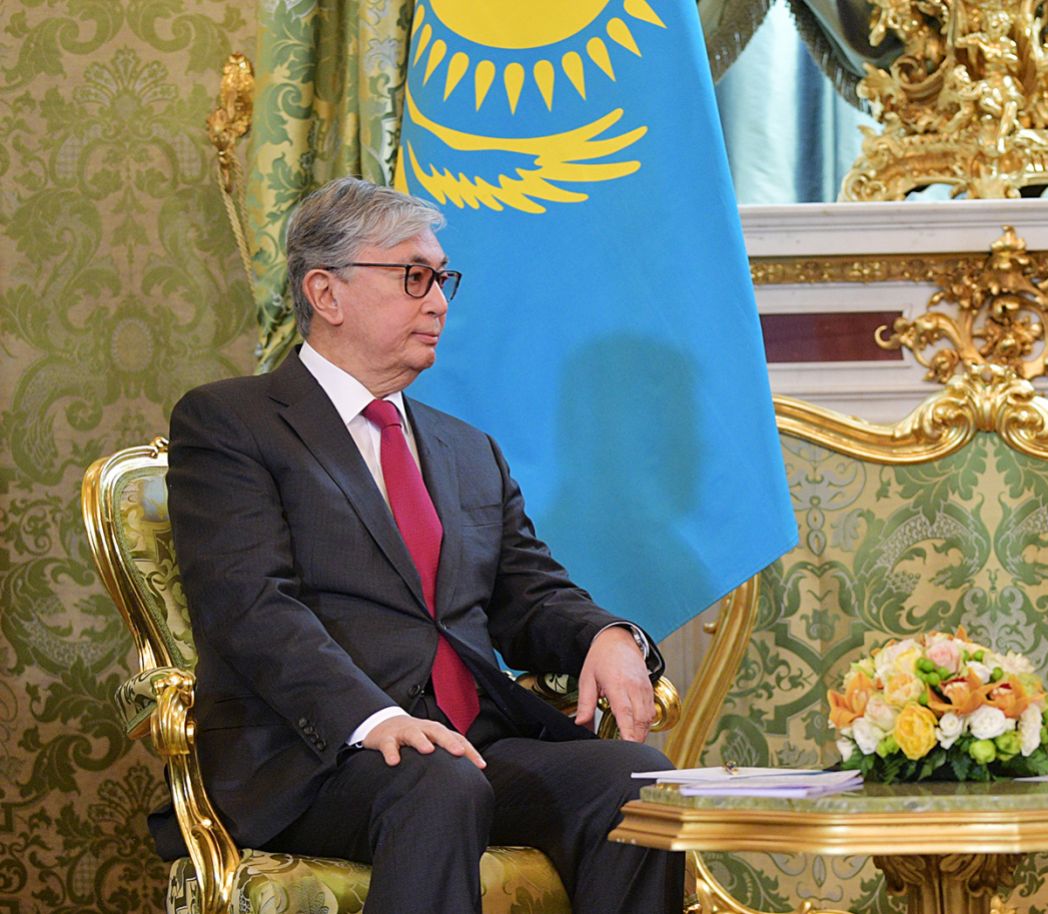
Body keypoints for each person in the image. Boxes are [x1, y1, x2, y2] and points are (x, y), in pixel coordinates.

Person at [165, 177, 681, 913]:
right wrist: (375, 720)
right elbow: (251, 607)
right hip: (319, 757)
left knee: (633, 782)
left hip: (474, 746)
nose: (438, 301)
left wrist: (604, 634)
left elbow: (527, 594)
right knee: (433, 777)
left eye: (442, 279)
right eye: (413, 278)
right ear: (325, 292)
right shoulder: (231, 424)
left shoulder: (466, 448)